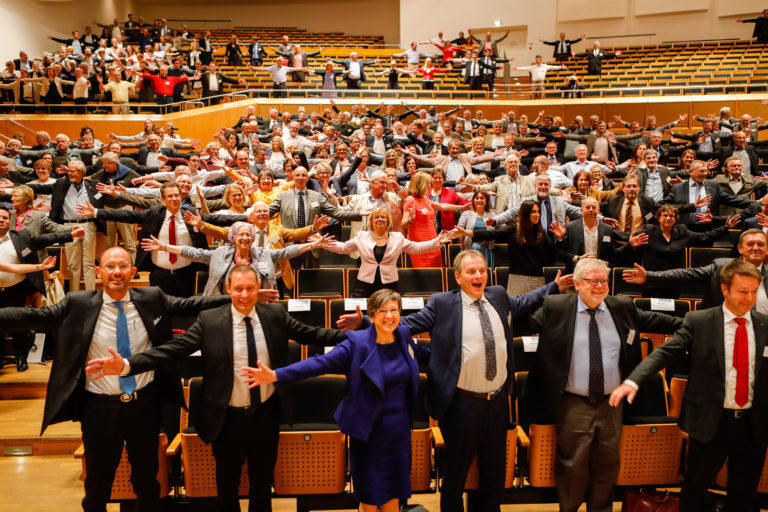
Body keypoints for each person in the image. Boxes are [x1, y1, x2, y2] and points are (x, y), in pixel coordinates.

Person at [85, 264, 346, 512]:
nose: (244, 295)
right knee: (227, 489)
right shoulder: (209, 320)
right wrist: (128, 365)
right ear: (228, 289)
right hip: (226, 420)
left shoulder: (274, 314)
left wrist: (359, 331)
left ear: (258, 287)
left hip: (265, 415)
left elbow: (314, 334)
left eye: (250, 288)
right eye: (238, 289)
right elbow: (172, 350)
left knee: (262, 489)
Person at [337, 249, 571, 512]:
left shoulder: (499, 296)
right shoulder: (442, 303)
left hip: (497, 402)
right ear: (458, 277)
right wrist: (368, 323)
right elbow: (408, 324)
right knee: (455, 476)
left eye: (482, 270)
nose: (478, 275)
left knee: (494, 475)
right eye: (471, 271)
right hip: (462, 404)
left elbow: (525, 301)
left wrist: (554, 286)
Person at [0, 246, 229, 510]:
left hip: (144, 404)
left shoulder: (152, 297)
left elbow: (192, 304)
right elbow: (34, 315)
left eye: (123, 267)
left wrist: (237, 298)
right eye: (110, 266)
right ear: (99, 272)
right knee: (98, 484)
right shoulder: (78, 303)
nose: (116, 272)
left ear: (133, 272)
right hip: (98, 407)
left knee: (147, 481)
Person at [243, 289, 429, 511]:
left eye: (394, 311)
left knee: (394, 492)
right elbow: (318, 364)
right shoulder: (357, 343)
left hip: (398, 431)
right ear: (371, 315)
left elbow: (428, 356)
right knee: (370, 495)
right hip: (368, 432)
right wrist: (276, 375)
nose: (389, 317)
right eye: (383, 311)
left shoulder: (404, 336)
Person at [611, 259, 768, 512]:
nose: (749, 298)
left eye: (753, 292)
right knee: (695, 489)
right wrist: (634, 380)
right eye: (742, 291)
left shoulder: (765, 325)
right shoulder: (700, 321)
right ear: (725, 289)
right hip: (710, 422)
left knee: (744, 494)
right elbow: (664, 353)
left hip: (753, 424)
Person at [527, 258, 682, 512]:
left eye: (603, 281)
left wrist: (698, 325)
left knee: (607, 465)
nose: (599, 286)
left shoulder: (621, 306)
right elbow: (522, 322)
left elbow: (657, 321)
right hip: (573, 403)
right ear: (576, 284)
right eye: (592, 281)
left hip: (612, 403)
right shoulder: (556, 307)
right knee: (572, 465)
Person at [76, 181, 236, 297]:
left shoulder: (191, 212)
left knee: (185, 310)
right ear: (163, 200)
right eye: (170, 196)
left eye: (177, 196)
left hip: (186, 273)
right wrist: (96, 212)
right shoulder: (154, 213)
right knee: (160, 311)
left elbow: (217, 220)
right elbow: (128, 215)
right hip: (159, 273)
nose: (174, 199)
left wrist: (248, 217)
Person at [141, 220, 328, 295]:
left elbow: (287, 252)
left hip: (257, 303)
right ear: (233, 238)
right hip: (223, 305)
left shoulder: (262, 254)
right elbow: (194, 253)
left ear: (253, 238)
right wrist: (164, 246)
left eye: (248, 235)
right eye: (241, 235)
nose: (245, 238)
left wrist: (314, 244)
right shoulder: (221, 254)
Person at [0, 202, 79, 371]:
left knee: (18, 324)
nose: (1, 220)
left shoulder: (21, 236)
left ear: (10, 221)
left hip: (15, 288)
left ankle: (21, 357)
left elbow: (46, 238)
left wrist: (70, 234)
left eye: (5, 218)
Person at [326, 207, 454, 297]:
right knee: (360, 313)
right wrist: (322, 243)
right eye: (376, 217)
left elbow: (415, 248)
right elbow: (343, 248)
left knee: (389, 314)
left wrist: (437, 242)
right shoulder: (361, 236)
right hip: (365, 282)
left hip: (389, 283)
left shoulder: (397, 237)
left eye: (383, 217)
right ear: (371, 221)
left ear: (387, 221)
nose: (380, 219)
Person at [459, 199, 572, 295]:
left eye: (538, 211)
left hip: (538, 280)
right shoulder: (514, 230)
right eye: (533, 212)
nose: (537, 214)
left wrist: (574, 256)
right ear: (526, 213)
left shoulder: (541, 232)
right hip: (517, 280)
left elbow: (554, 252)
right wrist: (466, 232)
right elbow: (492, 234)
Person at [630, 204, 739, 298]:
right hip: (652, 282)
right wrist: (630, 244)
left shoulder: (682, 232)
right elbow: (629, 240)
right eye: (665, 215)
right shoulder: (649, 232)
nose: (668, 218)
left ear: (676, 218)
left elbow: (705, 236)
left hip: (674, 282)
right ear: (659, 218)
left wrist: (725, 227)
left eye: (671, 216)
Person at [456, 190, 496, 268]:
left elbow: (501, 230)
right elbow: (459, 229)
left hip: (486, 249)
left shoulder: (492, 214)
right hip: (470, 247)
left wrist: (491, 240)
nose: (479, 200)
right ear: (473, 200)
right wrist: (462, 240)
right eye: (477, 198)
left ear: (486, 200)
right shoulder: (467, 213)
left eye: (482, 198)